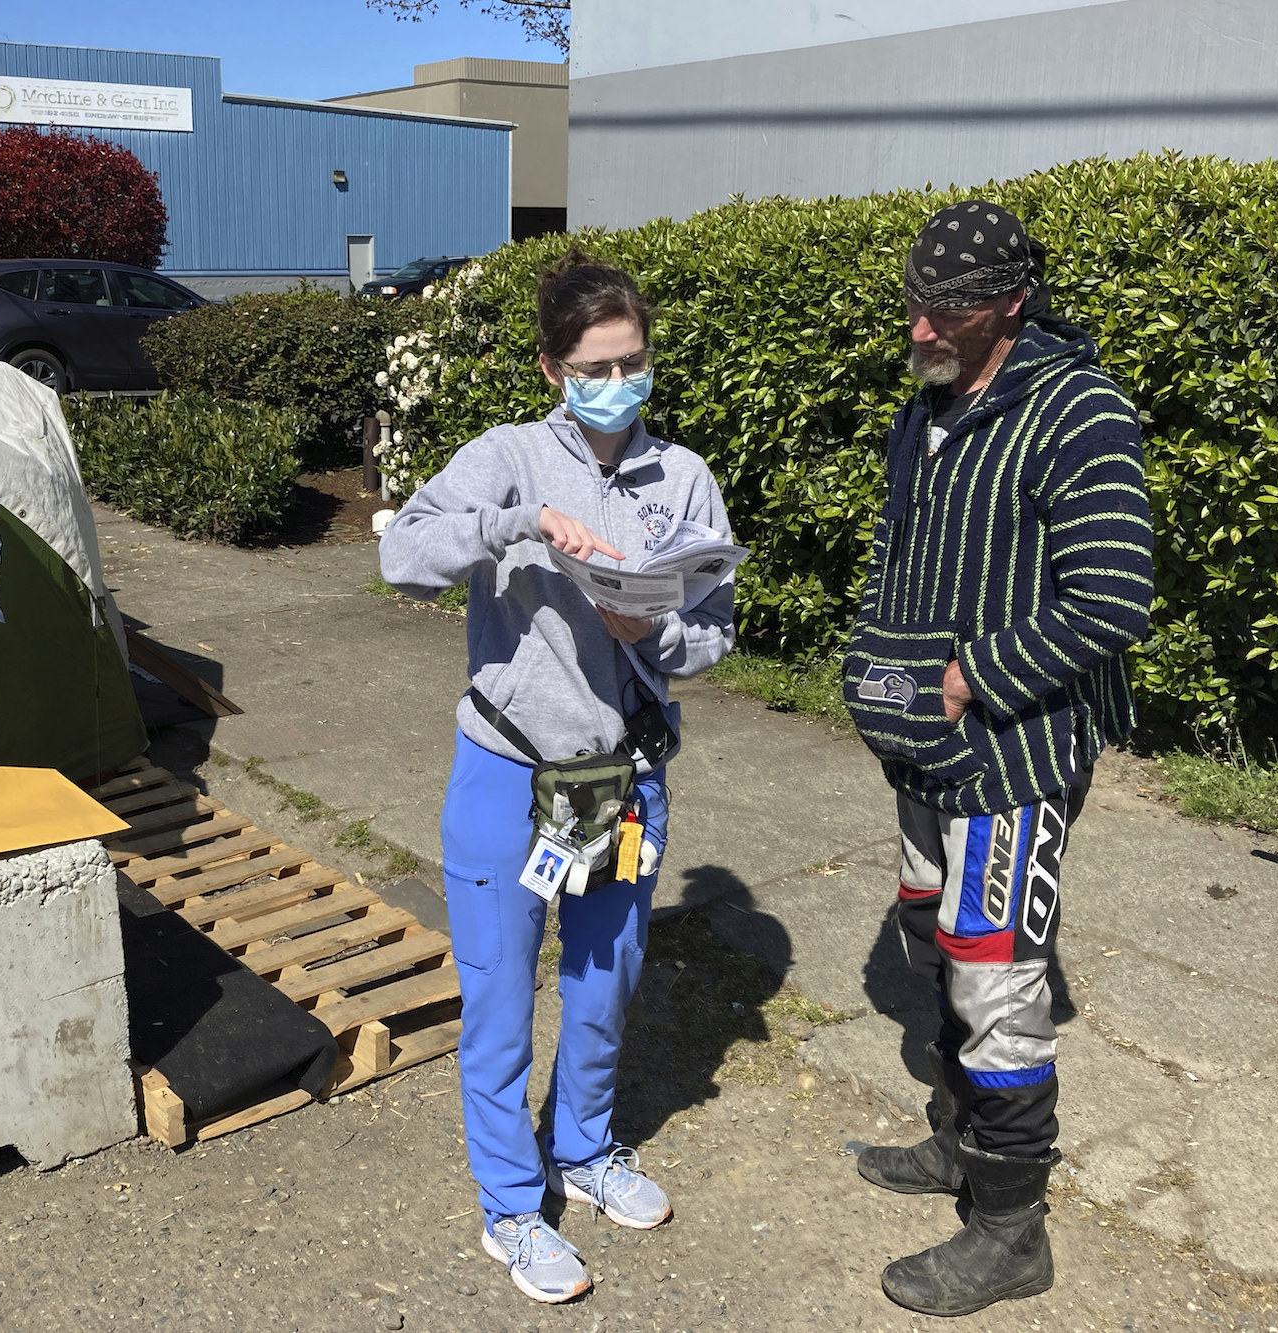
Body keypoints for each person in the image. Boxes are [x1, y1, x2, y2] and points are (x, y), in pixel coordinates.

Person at [379, 252, 737, 1304]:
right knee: (496, 1000)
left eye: (631, 360)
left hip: (620, 779)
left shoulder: (682, 478)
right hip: (506, 775)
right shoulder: (505, 458)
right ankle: (508, 1205)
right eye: (593, 365)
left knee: (603, 981)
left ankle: (583, 1151)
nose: (616, 381)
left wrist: (653, 631)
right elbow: (402, 553)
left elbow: (711, 632)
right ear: (550, 368)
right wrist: (517, 525)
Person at [841, 201, 1155, 1316]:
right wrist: (872, 655)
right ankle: (958, 1141)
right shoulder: (923, 408)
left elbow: (1113, 594)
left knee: (997, 982)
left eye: (946, 310)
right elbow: (895, 551)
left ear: (1008, 305)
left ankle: (1010, 1230)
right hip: (919, 749)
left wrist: (975, 674)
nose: (920, 326)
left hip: (1012, 757)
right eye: (913, 304)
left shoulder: (1076, 412)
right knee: (928, 944)